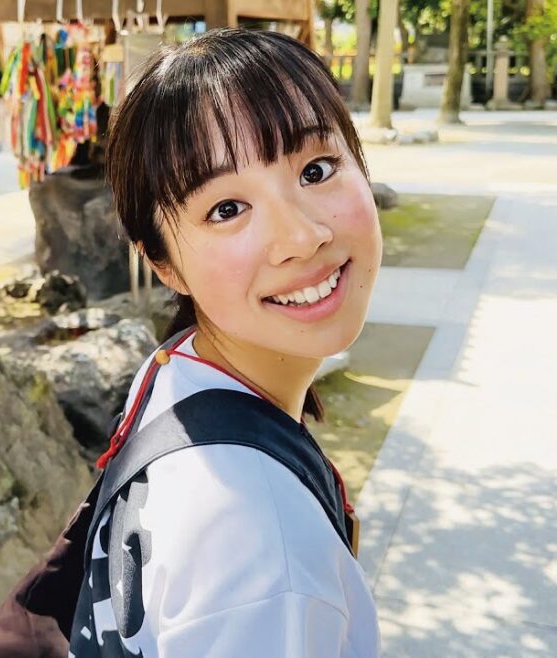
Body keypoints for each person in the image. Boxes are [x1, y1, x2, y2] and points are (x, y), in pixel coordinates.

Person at [67, 27, 384, 657]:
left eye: (316, 169)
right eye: (226, 209)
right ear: (164, 265)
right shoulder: (261, 545)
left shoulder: (178, 368)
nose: (301, 235)